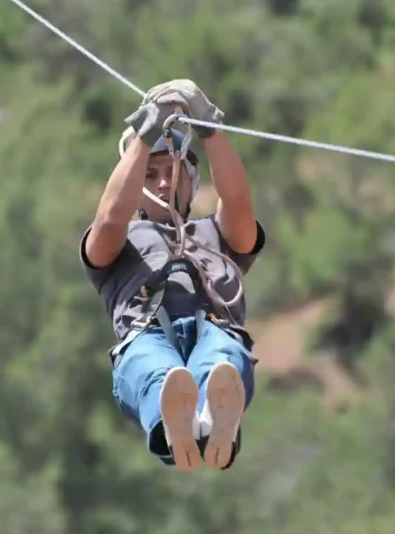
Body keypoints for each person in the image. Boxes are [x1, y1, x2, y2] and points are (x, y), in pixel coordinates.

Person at [78, 79, 266, 471]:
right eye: (150, 175)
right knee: (155, 370)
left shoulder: (218, 234)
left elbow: (237, 201)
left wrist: (210, 126)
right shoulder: (121, 239)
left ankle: (214, 418)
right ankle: (175, 422)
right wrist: (143, 136)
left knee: (223, 358)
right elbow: (110, 217)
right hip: (145, 335)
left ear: (192, 180)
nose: (164, 183)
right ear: (135, 184)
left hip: (216, 329)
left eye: (173, 172)